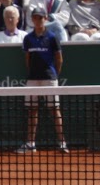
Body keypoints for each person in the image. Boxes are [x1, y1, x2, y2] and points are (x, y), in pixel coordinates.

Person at [18, 8, 66, 153]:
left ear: (45, 19)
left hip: (49, 78)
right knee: (32, 110)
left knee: (54, 109)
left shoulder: (52, 37)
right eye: (35, 18)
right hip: (33, 79)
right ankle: (31, 143)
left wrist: (53, 75)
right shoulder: (28, 39)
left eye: (40, 18)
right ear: (32, 20)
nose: (38, 20)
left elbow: (59, 59)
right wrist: (33, 73)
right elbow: (27, 59)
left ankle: (62, 143)